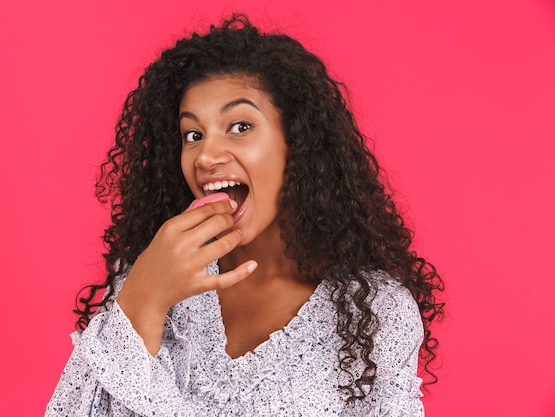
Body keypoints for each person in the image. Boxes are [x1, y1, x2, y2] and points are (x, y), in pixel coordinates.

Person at [45, 15, 444, 417]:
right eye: (193, 135)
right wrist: (143, 300)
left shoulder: (373, 313)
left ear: (297, 144)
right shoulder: (149, 278)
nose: (206, 156)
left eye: (239, 126)